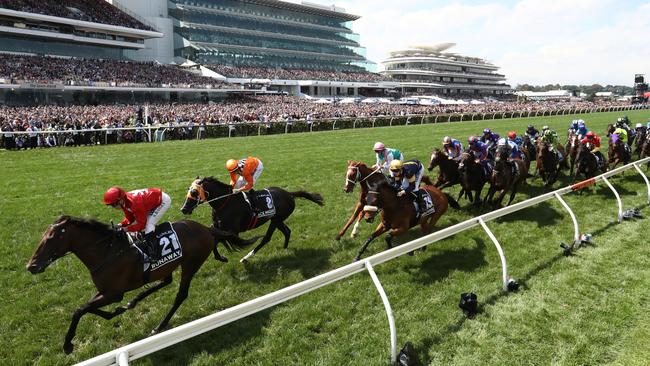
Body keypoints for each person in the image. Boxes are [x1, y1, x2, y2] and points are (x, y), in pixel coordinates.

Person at [103, 186, 171, 262]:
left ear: (120, 200)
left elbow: (142, 224)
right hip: (150, 201)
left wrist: (126, 229)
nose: (113, 207)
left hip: (162, 201)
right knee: (144, 227)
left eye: (113, 204)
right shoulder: (125, 202)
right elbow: (130, 219)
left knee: (148, 225)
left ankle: (155, 253)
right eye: (112, 205)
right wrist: (120, 225)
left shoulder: (134, 203)